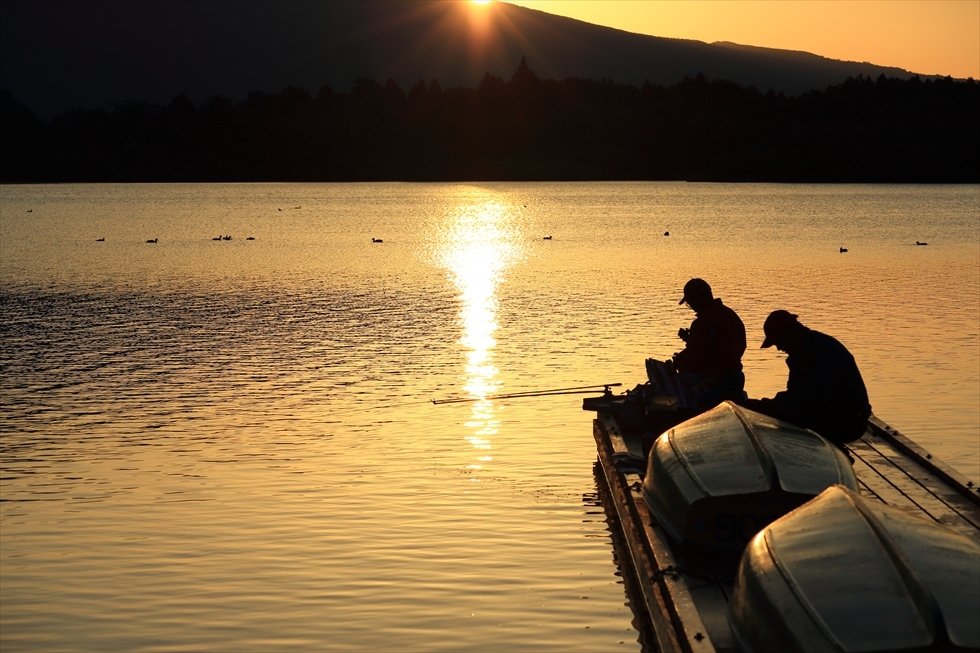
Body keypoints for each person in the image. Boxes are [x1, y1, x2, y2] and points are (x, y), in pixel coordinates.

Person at [745, 310, 871, 446]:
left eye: (778, 342)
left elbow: (814, 400)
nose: (779, 348)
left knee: (792, 417)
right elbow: (794, 394)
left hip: (850, 420)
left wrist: (774, 409)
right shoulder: (801, 352)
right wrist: (767, 404)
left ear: (789, 334)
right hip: (831, 411)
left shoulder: (820, 351)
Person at [671, 278, 747, 408]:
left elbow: (695, 355)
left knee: (677, 380)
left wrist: (677, 360)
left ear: (697, 299)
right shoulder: (730, 315)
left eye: (690, 302)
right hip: (736, 377)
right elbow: (732, 346)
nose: (691, 307)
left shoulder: (703, 322)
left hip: (716, 382)